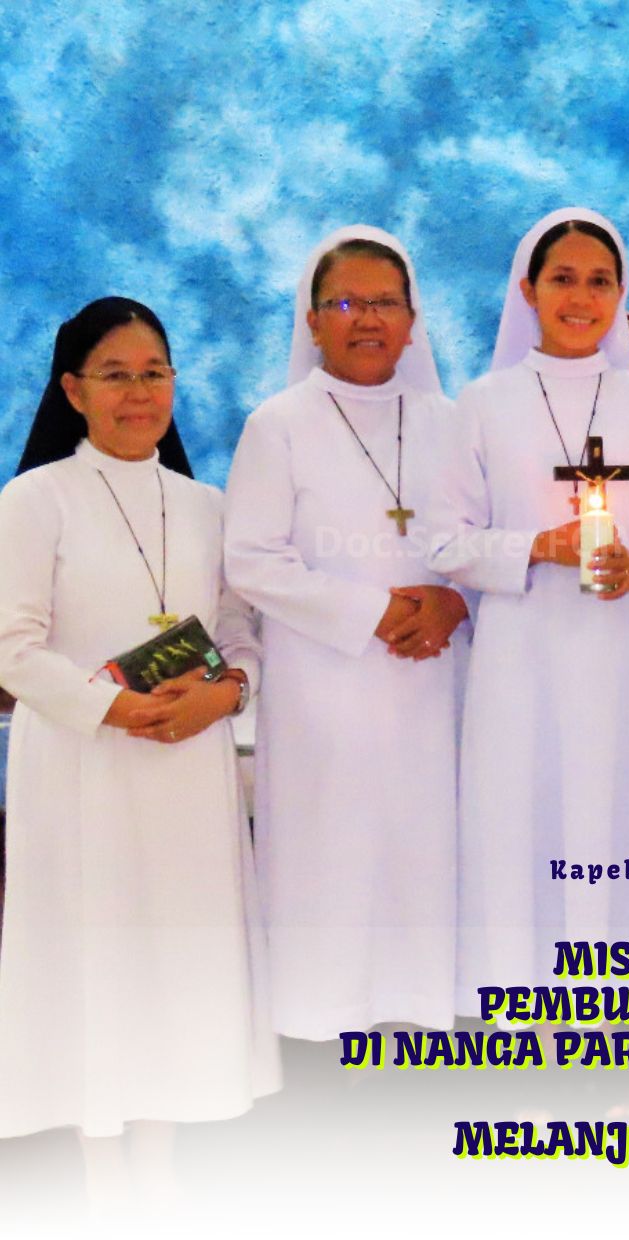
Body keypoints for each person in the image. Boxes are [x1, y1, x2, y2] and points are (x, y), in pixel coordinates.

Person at [0, 298, 279, 1200]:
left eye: (153, 374)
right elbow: (11, 648)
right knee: (96, 954)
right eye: (115, 376)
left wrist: (225, 695)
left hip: (186, 766)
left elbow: (240, 634)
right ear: (73, 390)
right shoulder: (33, 500)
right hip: (83, 765)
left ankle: (157, 1170)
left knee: (175, 956)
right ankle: (99, 1175)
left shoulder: (207, 505)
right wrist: (118, 711)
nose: (138, 393)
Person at [426, 208, 629, 998]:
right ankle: (530, 1010)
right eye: (563, 280)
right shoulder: (484, 403)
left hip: (628, 658)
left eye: (599, 282)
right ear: (529, 291)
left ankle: (628, 1010)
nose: (581, 298)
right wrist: (537, 547)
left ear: (620, 294)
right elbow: (445, 541)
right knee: (527, 820)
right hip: (524, 656)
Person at [224, 226, 469, 1040]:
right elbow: (252, 560)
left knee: (426, 859)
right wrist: (373, 613)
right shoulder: (278, 425)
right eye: (345, 303)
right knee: (329, 864)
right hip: (324, 693)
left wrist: (454, 604)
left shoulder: (451, 422)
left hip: (435, 689)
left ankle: (424, 1020)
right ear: (313, 320)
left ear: (413, 321)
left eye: (385, 303)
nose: (367, 319)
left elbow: (487, 542)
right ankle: (319, 1033)